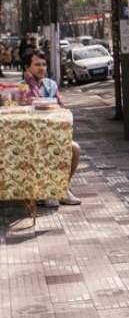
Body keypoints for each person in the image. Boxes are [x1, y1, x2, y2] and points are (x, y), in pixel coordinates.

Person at [22, 50, 81, 206]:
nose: (42, 68)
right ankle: (45, 191)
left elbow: (61, 108)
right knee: (41, 151)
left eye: (44, 64)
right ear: (27, 68)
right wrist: (31, 82)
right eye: (37, 64)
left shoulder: (51, 84)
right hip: (31, 136)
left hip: (53, 133)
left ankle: (62, 189)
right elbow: (30, 104)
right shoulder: (22, 87)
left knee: (74, 148)